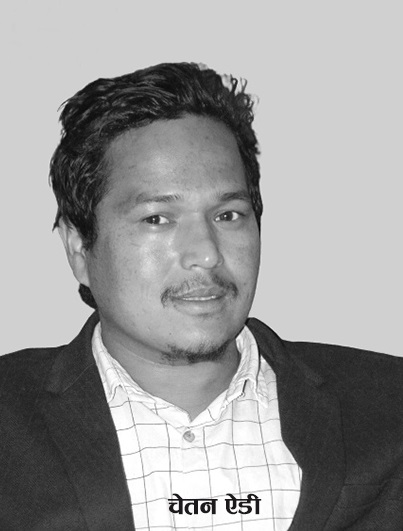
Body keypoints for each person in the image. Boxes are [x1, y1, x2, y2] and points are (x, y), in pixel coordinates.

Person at [1, 62, 402, 531]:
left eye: (228, 215)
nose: (206, 254)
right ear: (78, 249)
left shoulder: (388, 406)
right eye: (157, 219)